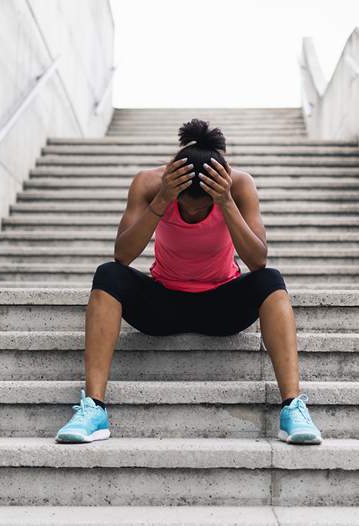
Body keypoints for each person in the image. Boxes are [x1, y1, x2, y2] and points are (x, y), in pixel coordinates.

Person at [54, 119, 322, 445]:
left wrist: (224, 202)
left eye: (203, 207)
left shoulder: (238, 186)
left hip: (222, 306)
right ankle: (94, 409)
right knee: (108, 275)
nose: (193, 213)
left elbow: (257, 260)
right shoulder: (149, 184)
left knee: (271, 280)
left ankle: (292, 408)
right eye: (186, 206)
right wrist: (163, 200)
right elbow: (122, 255)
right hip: (163, 303)